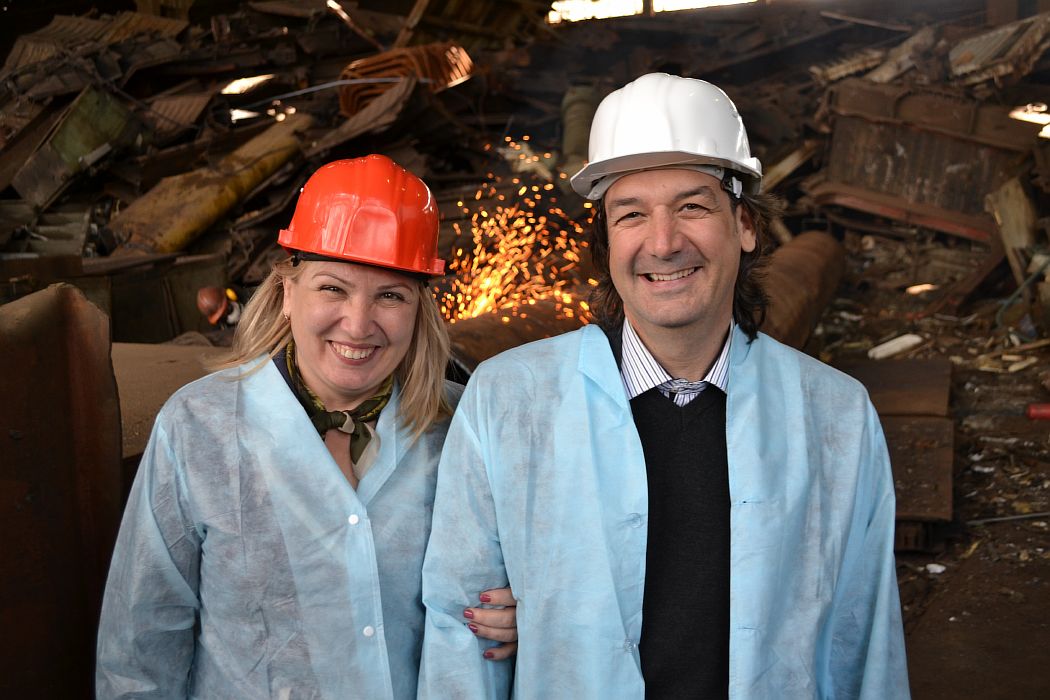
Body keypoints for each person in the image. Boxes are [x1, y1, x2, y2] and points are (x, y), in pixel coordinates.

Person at [418, 73, 910, 698]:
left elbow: (865, 641)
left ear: (746, 225)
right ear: (606, 242)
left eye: (692, 207)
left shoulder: (834, 415)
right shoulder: (509, 401)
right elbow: (461, 643)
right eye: (631, 214)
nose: (664, 243)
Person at [96, 155, 516, 699]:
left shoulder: (463, 426)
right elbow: (142, 642)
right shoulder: (199, 427)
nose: (358, 325)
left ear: (419, 310)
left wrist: (528, 610)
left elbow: (544, 575)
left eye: (390, 295)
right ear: (288, 292)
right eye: (333, 289)